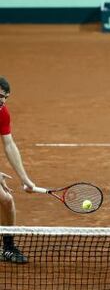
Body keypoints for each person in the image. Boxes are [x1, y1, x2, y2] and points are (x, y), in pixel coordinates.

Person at [0, 77, 37, 264]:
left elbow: (8, 144)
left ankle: (7, 247)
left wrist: (24, 178)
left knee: (6, 200)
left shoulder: (2, 112)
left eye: (5, 97)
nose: (3, 101)